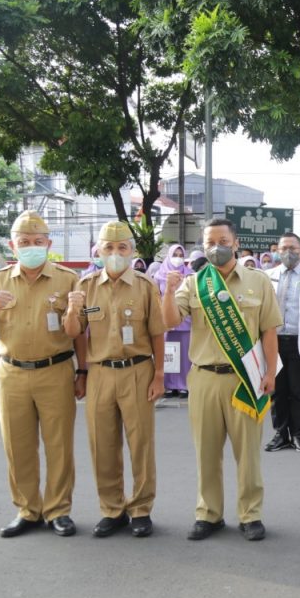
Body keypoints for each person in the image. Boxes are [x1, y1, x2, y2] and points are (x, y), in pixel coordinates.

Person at [162, 218, 281, 542]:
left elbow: (269, 330)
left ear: (235, 242)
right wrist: (169, 291)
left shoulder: (258, 282)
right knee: (206, 452)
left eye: (222, 240)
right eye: (210, 241)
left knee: (249, 455)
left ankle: (250, 515)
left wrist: (270, 373)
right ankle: (208, 514)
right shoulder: (194, 283)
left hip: (246, 379)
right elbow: (170, 321)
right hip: (204, 379)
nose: (217, 246)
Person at [0, 210, 83, 538]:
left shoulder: (67, 280)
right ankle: (27, 509)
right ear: (12, 245)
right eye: (24, 242)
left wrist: (74, 309)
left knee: (59, 445)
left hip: (56, 369)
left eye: (37, 242)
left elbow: (78, 332)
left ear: (48, 243)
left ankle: (58, 510)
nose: (31, 247)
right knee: (17, 445)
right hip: (12, 374)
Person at [64, 221, 167, 538]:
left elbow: (157, 333)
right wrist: (71, 310)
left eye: (122, 247)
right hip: (100, 373)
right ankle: (112, 509)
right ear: (98, 251)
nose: (115, 253)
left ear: (132, 251)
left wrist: (159, 375)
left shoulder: (145, 286)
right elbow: (74, 333)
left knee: (141, 444)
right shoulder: (86, 286)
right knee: (102, 444)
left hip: (138, 370)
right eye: (108, 247)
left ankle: (140, 509)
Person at [264, 232, 300, 453]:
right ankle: (280, 434)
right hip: (274, 342)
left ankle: (298, 434)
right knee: (277, 391)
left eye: (293, 248)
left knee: (298, 391)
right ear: (277, 251)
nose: (288, 252)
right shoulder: (266, 276)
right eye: (284, 248)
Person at [155, 244, 193, 399]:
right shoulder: (159, 276)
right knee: (168, 354)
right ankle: (169, 385)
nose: (178, 258)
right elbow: (156, 297)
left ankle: (184, 385)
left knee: (185, 356)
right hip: (166, 322)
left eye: (180, 254)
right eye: (175, 254)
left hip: (185, 322)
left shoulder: (190, 276)